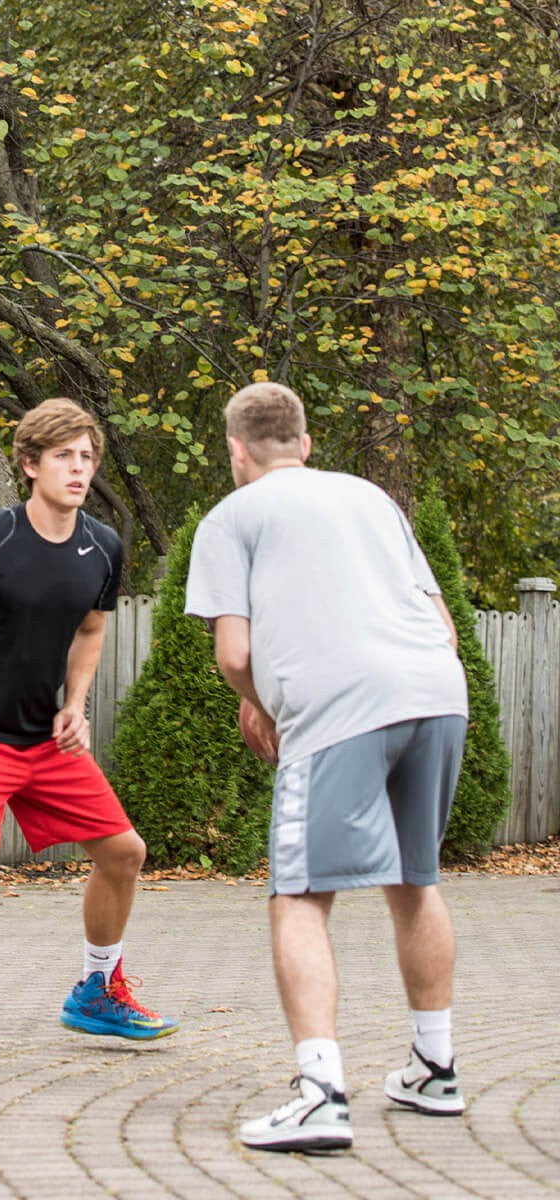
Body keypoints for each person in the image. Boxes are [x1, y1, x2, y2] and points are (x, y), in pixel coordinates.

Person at [185, 381, 469, 1152]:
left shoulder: (233, 516)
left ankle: (320, 1095)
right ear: (305, 443)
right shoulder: (373, 501)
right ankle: (435, 1068)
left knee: (299, 894)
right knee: (416, 879)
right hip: (438, 693)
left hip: (341, 708)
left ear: (236, 452)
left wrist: (262, 704)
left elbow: (234, 654)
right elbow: (443, 625)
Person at [0, 396, 179, 1074]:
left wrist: (75, 704)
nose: (79, 469)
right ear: (29, 464)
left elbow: (92, 628)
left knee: (125, 852)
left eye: (87, 457)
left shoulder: (103, 547)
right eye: (63, 456)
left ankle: (98, 990)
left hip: (46, 741)